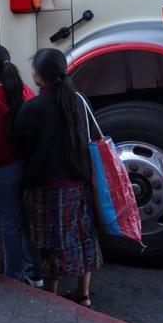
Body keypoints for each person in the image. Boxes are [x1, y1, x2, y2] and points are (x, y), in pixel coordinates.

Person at [13, 48, 101, 306]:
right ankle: (83, 294)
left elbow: (20, 143)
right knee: (83, 236)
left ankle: (51, 298)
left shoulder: (32, 108)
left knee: (52, 244)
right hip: (80, 181)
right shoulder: (79, 100)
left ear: (38, 77)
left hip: (46, 186)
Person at [0, 44, 43, 287]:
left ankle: (14, 275)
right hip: (28, 165)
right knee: (30, 220)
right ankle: (35, 272)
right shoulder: (24, 90)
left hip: (2, 167)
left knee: (9, 222)